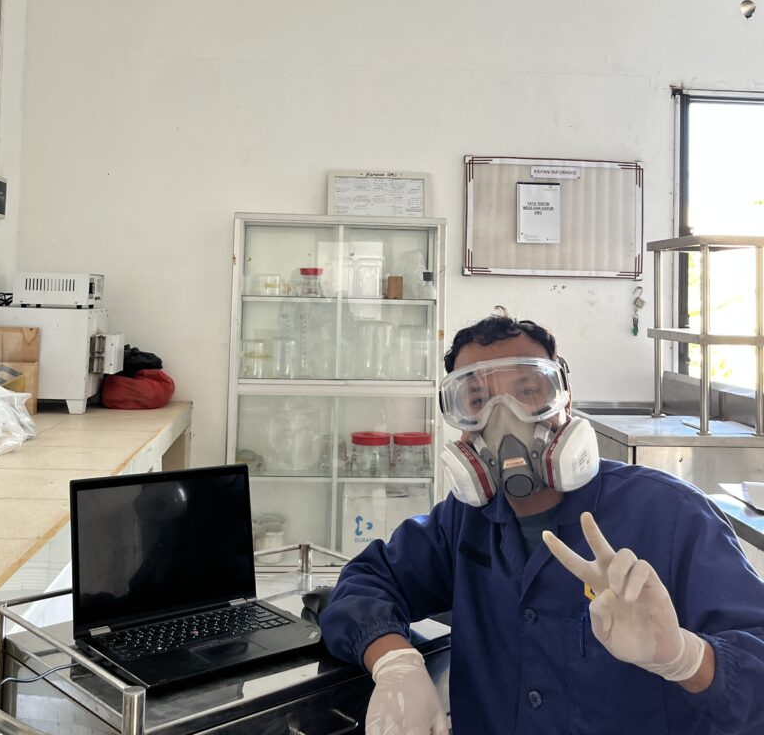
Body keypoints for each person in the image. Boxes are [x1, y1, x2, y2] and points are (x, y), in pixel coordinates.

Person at [319, 311, 764, 735]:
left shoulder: (672, 515)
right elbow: (364, 583)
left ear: (565, 401)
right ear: (461, 425)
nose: (504, 419)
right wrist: (395, 662)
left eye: (528, 391)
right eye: (477, 401)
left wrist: (686, 658)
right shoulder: (463, 522)